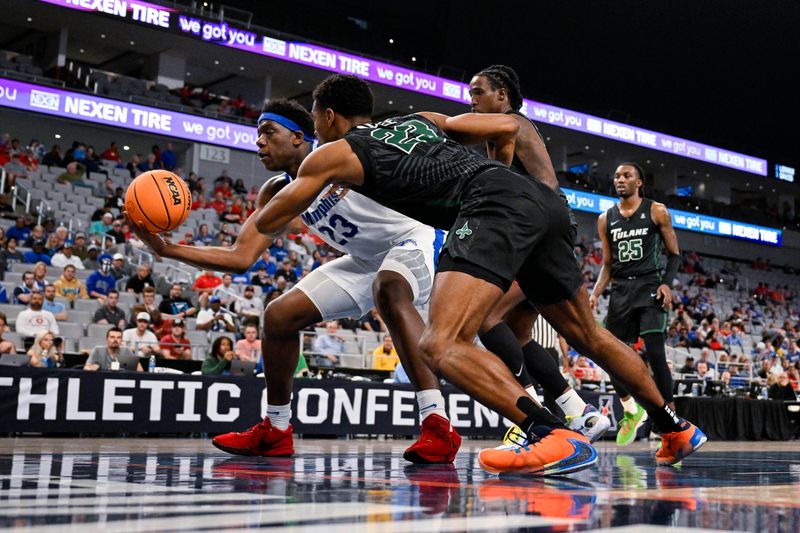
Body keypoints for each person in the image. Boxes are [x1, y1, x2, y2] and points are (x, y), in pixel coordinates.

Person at [244, 74, 704, 473]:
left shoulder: (330, 156)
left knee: (441, 342)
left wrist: (304, 183)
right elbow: (509, 125)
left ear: (326, 118)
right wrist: (500, 175)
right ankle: (674, 429)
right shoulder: (420, 118)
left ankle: (550, 435)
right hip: (539, 204)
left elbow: (267, 222)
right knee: (590, 335)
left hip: (490, 208)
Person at [128, 97, 460, 465]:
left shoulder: (342, 154)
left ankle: (437, 425)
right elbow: (241, 256)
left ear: (301, 137)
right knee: (278, 316)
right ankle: (276, 428)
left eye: (269, 132)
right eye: (257, 134)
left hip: (416, 239)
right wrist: (167, 249)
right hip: (367, 260)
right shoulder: (274, 191)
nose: (259, 142)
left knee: (390, 289)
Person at [468, 65, 610, 443]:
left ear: (502, 95)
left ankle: (531, 415)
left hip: (537, 235)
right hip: (542, 230)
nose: (471, 101)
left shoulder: (510, 123)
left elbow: (492, 174)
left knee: (486, 317)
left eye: (478, 92)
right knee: (518, 332)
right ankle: (579, 412)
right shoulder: (506, 132)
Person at [589, 162, 682, 447]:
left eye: (627, 175)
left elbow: (675, 255)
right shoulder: (605, 218)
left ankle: (669, 418)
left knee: (655, 352)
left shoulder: (656, 210)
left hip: (650, 286)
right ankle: (631, 408)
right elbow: (607, 264)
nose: (620, 179)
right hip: (621, 290)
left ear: (639, 182)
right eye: (616, 175)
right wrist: (594, 293)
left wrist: (666, 283)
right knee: (610, 355)